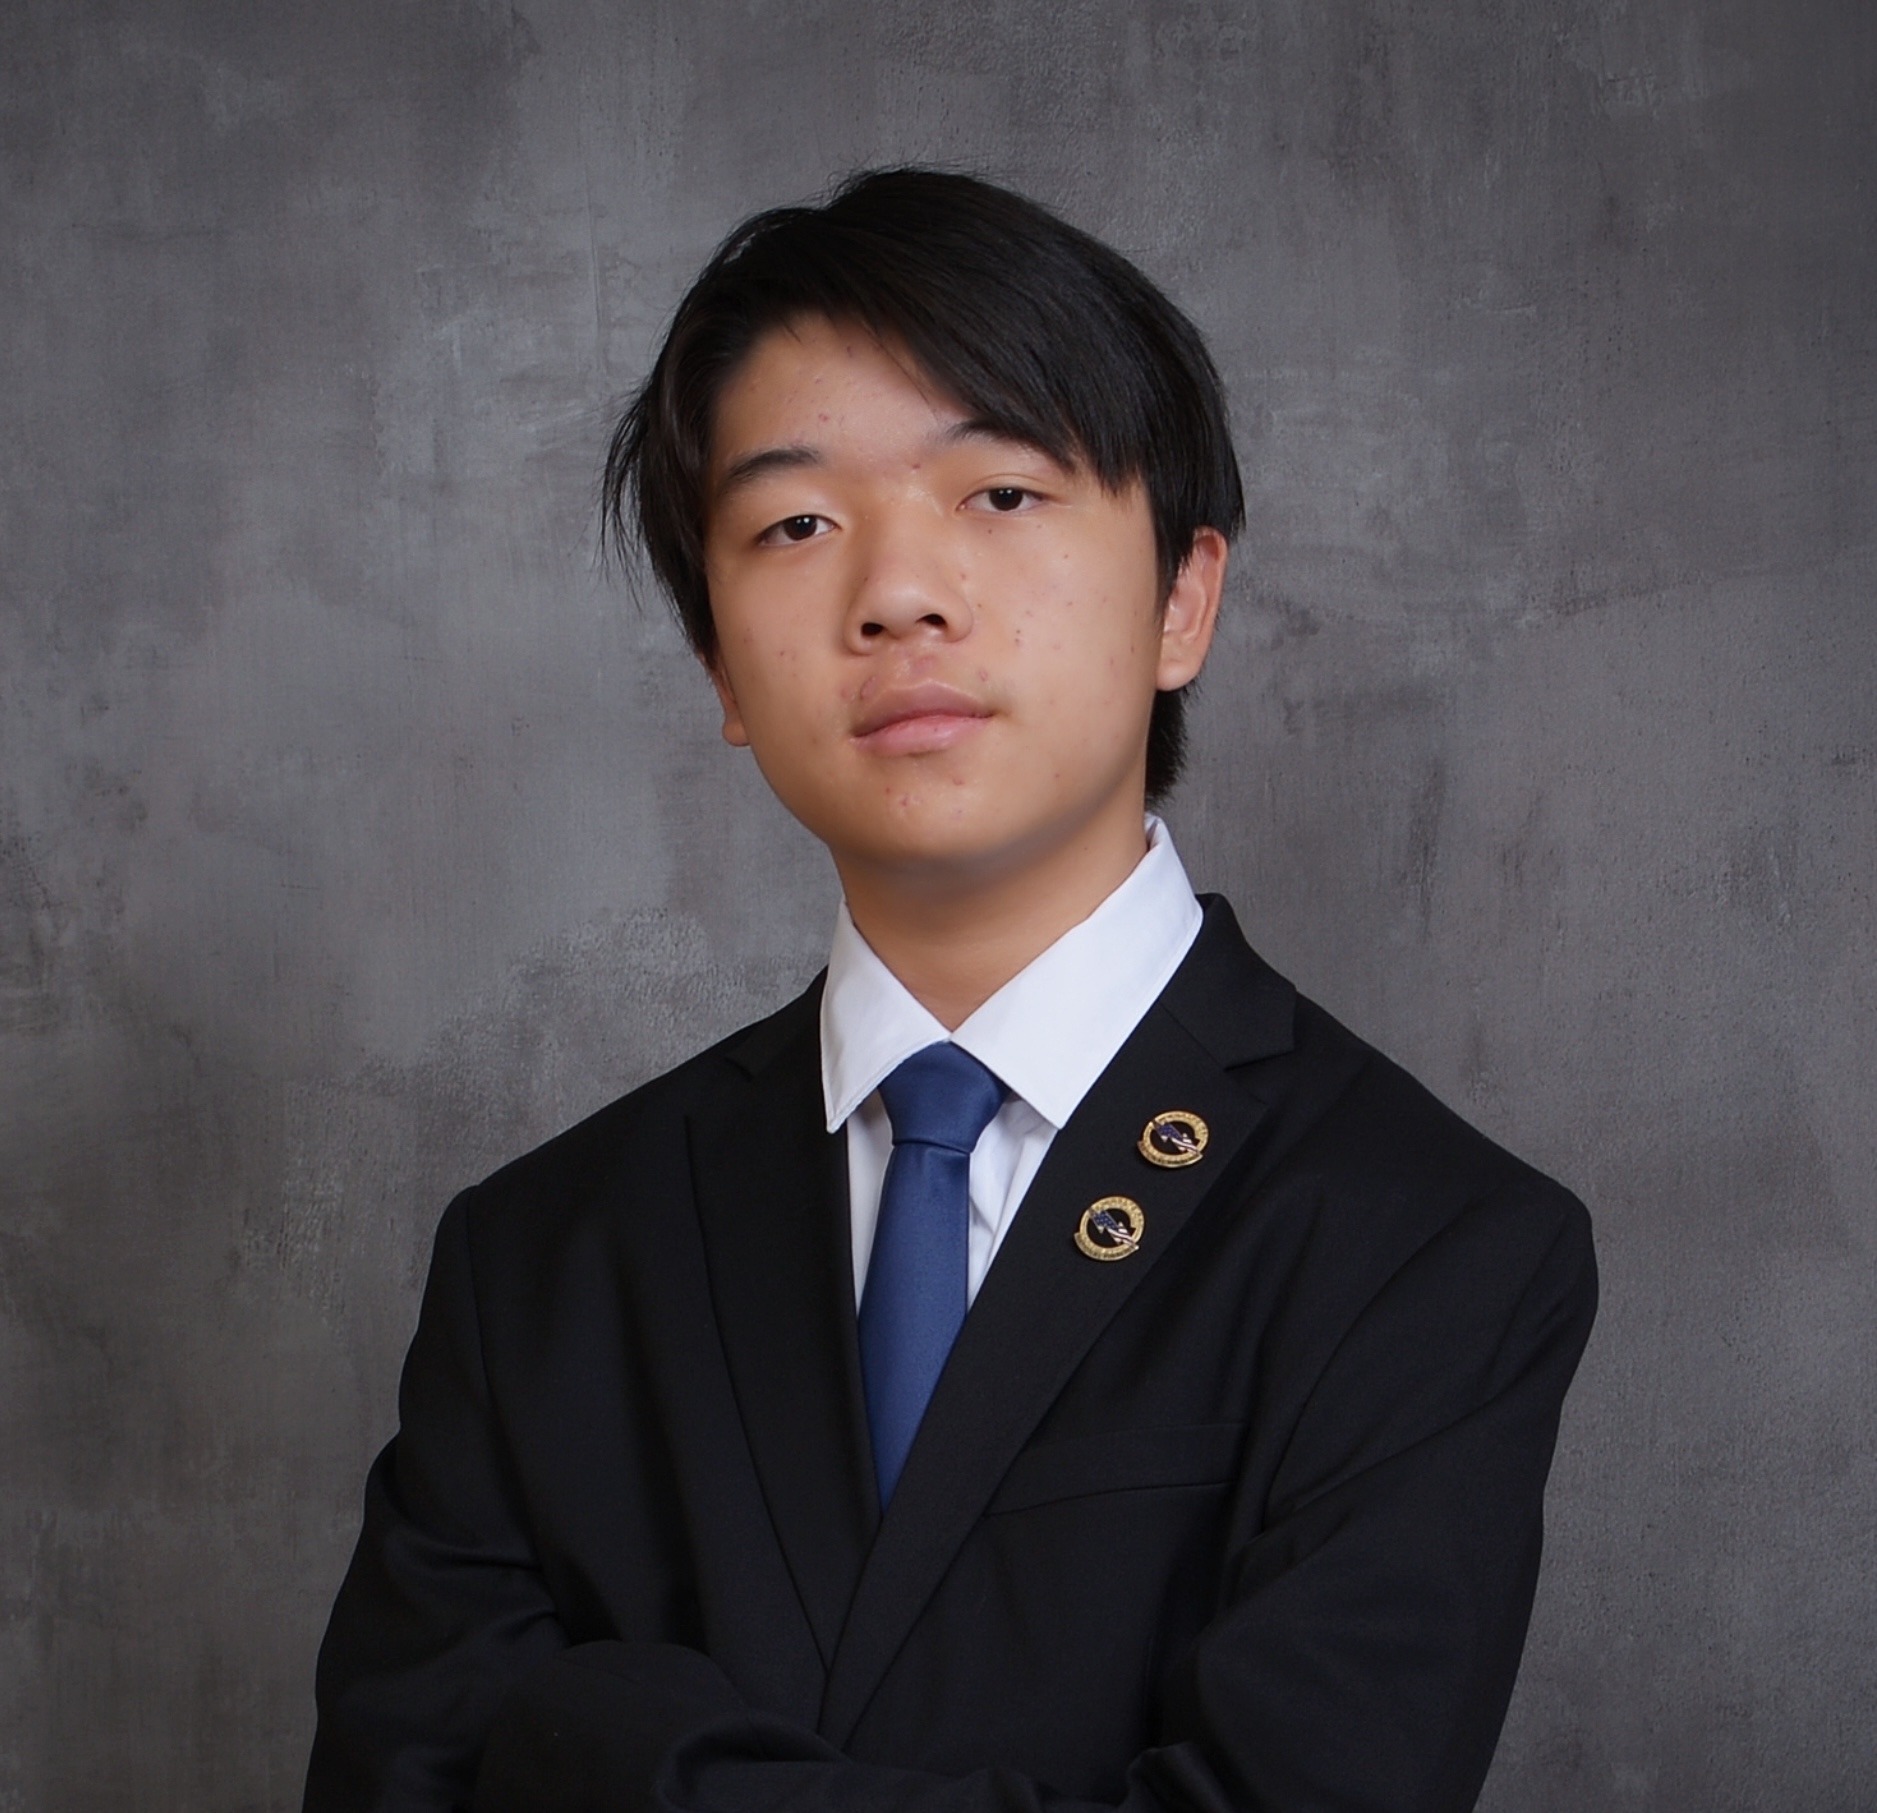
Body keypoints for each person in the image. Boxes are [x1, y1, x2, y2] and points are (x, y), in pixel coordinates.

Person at [303, 168, 1597, 1813]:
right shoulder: (543, 1257)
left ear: (1182, 599)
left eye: (999, 492)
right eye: (795, 524)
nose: (897, 591)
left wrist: (608, 1753)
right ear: (718, 667)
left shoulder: (1425, 1239)